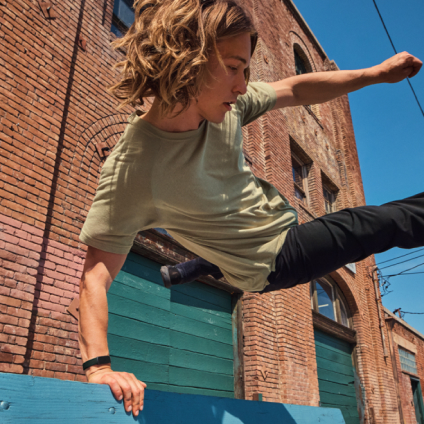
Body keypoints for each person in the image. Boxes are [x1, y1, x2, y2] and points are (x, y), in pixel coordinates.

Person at [77, 0, 423, 418]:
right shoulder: (135, 167)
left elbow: (294, 89)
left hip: (247, 235)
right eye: (235, 67)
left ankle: (199, 265)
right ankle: (209, 263)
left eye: (246, 71)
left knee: (213, 251)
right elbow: (95, 275)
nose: (243, 86)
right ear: (187, 57)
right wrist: (99, 367)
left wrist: (373, 74)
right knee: (381, 221)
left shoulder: (227, 105)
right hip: (274, 256)